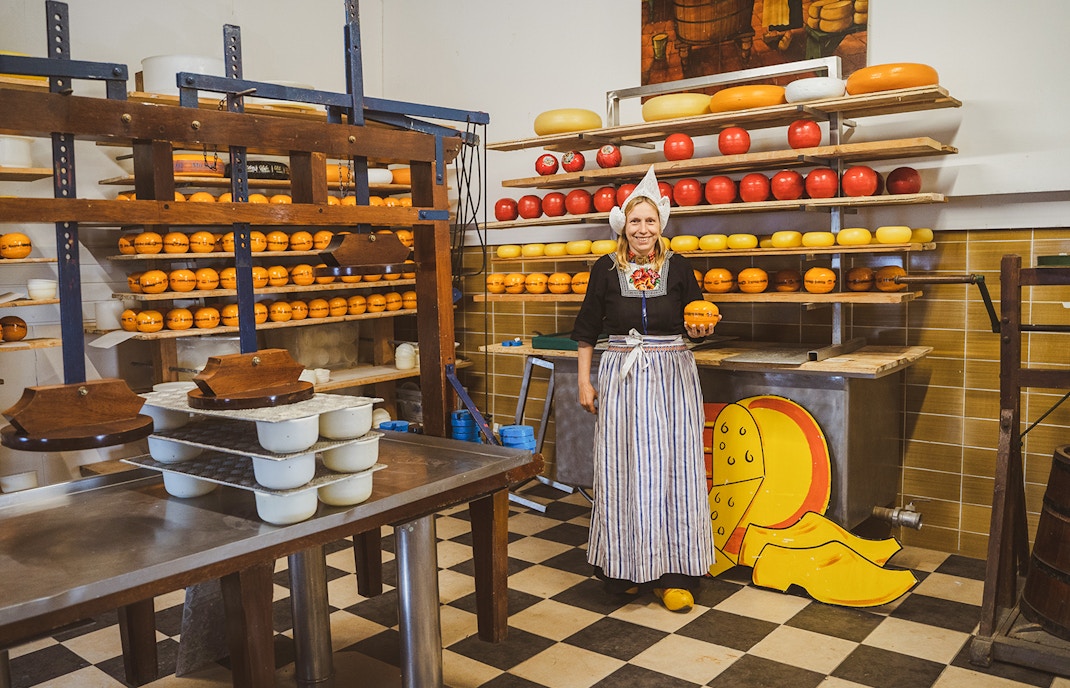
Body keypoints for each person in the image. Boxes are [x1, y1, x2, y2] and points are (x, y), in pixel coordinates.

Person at [570, 166, 720, 613]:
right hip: (622, 374)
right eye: (635, 221)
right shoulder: (604, 268)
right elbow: (585, 331)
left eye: (650, 221)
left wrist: (704, 328)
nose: (642, 229)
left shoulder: (680, 267)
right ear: (622, 226)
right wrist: (584, 381)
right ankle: (625, 568)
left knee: (675, 470)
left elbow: (696, 320)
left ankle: (674, 573)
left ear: (661, 226)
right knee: (624, 469)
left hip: (673, 374)